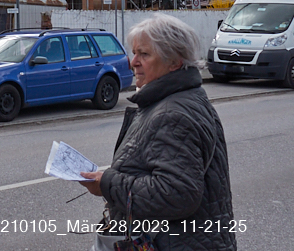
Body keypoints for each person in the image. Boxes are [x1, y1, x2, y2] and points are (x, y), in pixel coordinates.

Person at [79, 14, 236, 251]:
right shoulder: (175, 99)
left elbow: (177, 194)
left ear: (173, 62)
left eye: (144, 54)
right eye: (134, 53)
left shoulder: (172, 113)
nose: (133, 62)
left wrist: (108, 183)